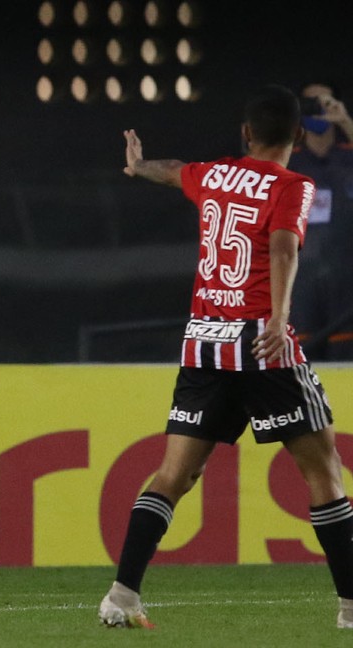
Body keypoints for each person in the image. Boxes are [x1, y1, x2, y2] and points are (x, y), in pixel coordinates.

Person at [98, 85, 353, 629]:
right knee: (323, 471)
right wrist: (279, 320)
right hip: (261, 344)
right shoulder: (293, 186)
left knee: (174, 475)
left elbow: (174, 170)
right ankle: (352, 606)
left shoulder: (214, 176)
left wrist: (138, 166)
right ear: (299, 136)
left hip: (205, 342)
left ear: (245, 134)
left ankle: (121, 595)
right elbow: (283, 247)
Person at [287, 82, 353, 359]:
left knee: (345, 356)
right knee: (302, 358)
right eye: (310, 104)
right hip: (300, 279)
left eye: (324, 102)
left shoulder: (348, 154)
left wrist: (345, 122)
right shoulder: (289, 161)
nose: (317, 110)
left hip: (346, 279)